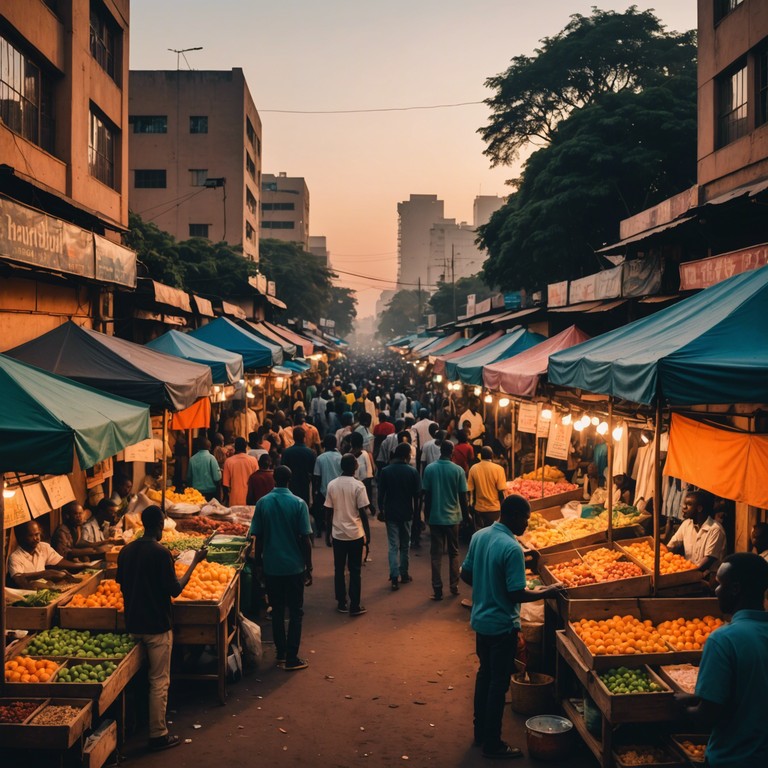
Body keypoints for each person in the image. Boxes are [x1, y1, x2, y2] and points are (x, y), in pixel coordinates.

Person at [460, 494, 566, 759]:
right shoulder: (511, 547)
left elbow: (466, 573)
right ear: (515, 516)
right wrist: (549, 590)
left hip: (481, 621)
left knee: (484, 676)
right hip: (502, 626)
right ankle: (493, 743)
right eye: (526, 519)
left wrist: (486, 587)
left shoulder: (480, 536)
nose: (527, 524)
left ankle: (480, 732)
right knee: (498, 684)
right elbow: (516, 593)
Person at [117, 505, 208, 751]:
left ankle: (134, 724)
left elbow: (122, 585)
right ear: (159, 525)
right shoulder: (161, 553)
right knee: (159, 680)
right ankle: (158, 734)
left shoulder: (126, 551)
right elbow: (175, 590)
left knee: (138, 678)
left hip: (133, 624)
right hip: (157, 625)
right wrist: (194, 563)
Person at [682, 552, 768, 767]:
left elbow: (708, 715)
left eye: (720, 584)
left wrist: (679, 708)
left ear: (736, 589)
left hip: (734, 757)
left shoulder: (723, 640)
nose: (715, 589)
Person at [251, 465, 313, 671]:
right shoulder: (298, 503)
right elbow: (305, 538)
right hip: (294, 566)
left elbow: (257, 537)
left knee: (277, 610)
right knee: (296, 611)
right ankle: (292, 656)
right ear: (290, 480)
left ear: (274, 480)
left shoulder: (263, 503)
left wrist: (258, 563)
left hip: (272, 566)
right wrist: (309, 566)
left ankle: (281, 653)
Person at [324, 453, 371, 616]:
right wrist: (367, 534)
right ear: (355, 467)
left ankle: (342, 602)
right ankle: (355, 605)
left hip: (338, 534)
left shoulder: (332, 485)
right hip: (355, 534)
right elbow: (363, 513)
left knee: (339, 569)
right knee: (355, 570)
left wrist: (327, 533)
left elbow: (328, 511)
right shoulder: (358, 486)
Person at [422, 441, 469, 601]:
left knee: (436, 554)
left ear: (440, 451)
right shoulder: (458, 470)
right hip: (453, 518)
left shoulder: (430, 469)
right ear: (452, 453)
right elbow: (463, 497)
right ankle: (454, 586)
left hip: (435, 517)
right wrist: (466, 515)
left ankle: (437, 589)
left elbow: (426, 495)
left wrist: (426, 515)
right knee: (454, 552)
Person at [378, 443, 420, 590]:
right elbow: (417, 496)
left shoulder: (385, 471)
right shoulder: (412, 472)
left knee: (393, 546)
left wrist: (381, 511)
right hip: (407, 512)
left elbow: (381, 494)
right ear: (406, 455)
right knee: (404, 545)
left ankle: (394, 575)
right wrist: (417, 515)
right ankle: (404, 574)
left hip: (391, 513)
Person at [8, 520, 94, 589]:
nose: (36, 539)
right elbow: (18, 579)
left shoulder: (43, 547)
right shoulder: (15, 557)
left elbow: (60, 561)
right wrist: (46, 573)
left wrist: (81, 565)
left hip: (45, 590)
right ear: (21, 538)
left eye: (37, 534)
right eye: (31, 535)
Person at [667, 491, 726, 575]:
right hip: (691, 575)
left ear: (699, 508)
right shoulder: (686, 524)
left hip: (708, 579)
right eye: (684, 504)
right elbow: (671, 546)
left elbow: (707, 562)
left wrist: (683, 574)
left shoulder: (715, 529)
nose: (684, 507)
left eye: (688, 504)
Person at [467, 447, 508, 528]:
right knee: (493, 535)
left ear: (481, 456)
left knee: (481, 535)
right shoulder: (499, 469)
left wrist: (470, 507)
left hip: (479, 509)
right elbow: (501, 492)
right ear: (492, 456)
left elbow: (470, 491)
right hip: (494, 510)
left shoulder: (473, 469)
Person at [281, 426, 316, 505]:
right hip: (305, 486)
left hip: (291, 486)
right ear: (304, 438)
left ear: (293, 437)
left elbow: (283, 469)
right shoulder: (311, 453)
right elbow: (314, 472)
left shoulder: (287, 452)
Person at [222, 436, 260, 506]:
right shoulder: (253, 460)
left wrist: (226, 499)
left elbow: (225, 485)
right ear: (245, 447)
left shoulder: (228, 461)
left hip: (234, 500)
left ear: (235, 447)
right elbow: (256, 481)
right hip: (250, 499)